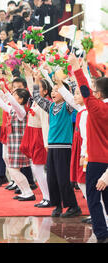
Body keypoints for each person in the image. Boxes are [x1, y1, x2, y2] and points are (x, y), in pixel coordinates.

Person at [31, 70, 81, 218]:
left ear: (64, 93)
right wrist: (35, 79)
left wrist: (62, 84)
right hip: (52, 146)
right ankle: (57, 205)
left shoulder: (68, 106)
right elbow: (36, 97)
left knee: (63, 178)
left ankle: (73, 206)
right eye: (52, 90)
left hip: (64, 146)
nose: (53, 93)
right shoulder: (51, 106)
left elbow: (70, 97)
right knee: (51, 178)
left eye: (57, 90)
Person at [70, 55, 108, 243]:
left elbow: (84, 88)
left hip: (96, 161)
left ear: (99, 95)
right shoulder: (97, 106)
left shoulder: (95, 108)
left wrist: (77, 68)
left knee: (93, 200)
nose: (92, 93)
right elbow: (86, 89)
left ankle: (101, 233)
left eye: (95, 91)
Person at [0, 78, 36, 201]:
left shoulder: (22, 111)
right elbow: (2, 103)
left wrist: (5, 90)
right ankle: (25, 191)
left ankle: (28, 192)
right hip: (13, 144)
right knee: (13, 169)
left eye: (15, 95)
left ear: (20, 99)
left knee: (13, 170)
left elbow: (12, 103)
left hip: (19, 144)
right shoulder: (13, 110)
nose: (12, 97)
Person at [22, 64, 52, 207]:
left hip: (40, 137)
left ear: (45, 91)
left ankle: (48, 196)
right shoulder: (36, 102)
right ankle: (46, 196)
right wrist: (29, 75)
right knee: (35, 168)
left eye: (38, 87)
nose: (34, 89)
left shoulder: (44, 105)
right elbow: (31, 89)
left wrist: (46, 143)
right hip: (32, 134)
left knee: (38, 168)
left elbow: (46, 125)